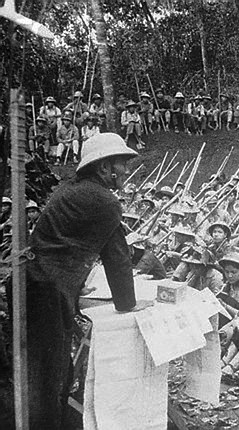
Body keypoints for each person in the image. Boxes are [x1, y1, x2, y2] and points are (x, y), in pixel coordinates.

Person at [24, 133, 152, 429]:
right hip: (48, 289)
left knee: (49, 367)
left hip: (38, 282)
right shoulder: (104, 201)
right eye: (122, 164)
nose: (126, 171)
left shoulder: (72, 190)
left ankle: (53, 416)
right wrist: (127, 304)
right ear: (104, 168)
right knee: (47, 374)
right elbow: (117, 257)